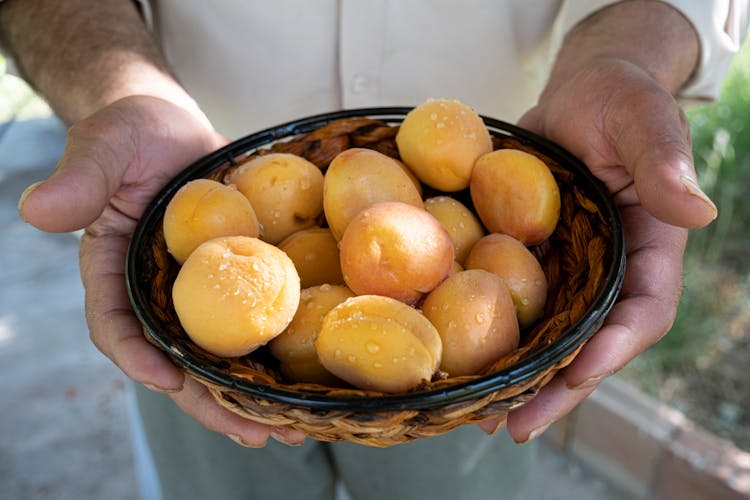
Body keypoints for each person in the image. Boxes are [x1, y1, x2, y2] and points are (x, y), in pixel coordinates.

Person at [1, 1, 747, 499]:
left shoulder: (456, 266)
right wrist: (113, 85)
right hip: (192, 300)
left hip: (473, 383)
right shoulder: (242, 250)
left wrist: (627, 53)